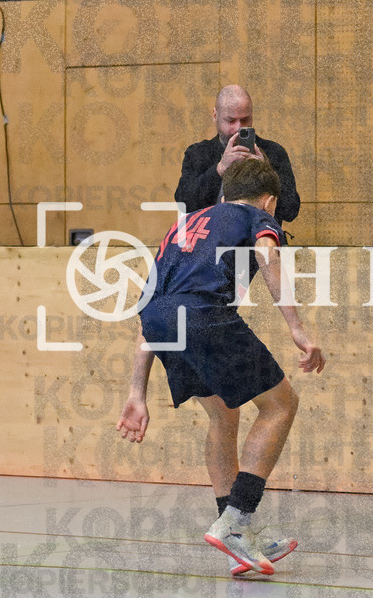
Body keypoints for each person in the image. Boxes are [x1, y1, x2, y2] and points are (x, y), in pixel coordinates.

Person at [116, 156, 324, 576]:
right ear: (269, 201)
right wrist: (297, 329)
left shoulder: (182, 226)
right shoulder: (256, 216)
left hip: (161, 318)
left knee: (223, 413)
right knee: (281, 404)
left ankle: (235, 533)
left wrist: (136, 392)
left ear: (224, 192)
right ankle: (237, 520)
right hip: (203, 314)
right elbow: (268, 258)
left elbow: (149, 306)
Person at [175, 85, 301, 224]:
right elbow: (185, 203)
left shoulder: (274, 152)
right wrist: (219, 169)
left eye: (245, 120)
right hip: (212, 240)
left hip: (259, 241)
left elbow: (290, 211)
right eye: (231, 121)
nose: (238, 128)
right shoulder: (198, 153)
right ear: (215, 116)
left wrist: (266, 173)